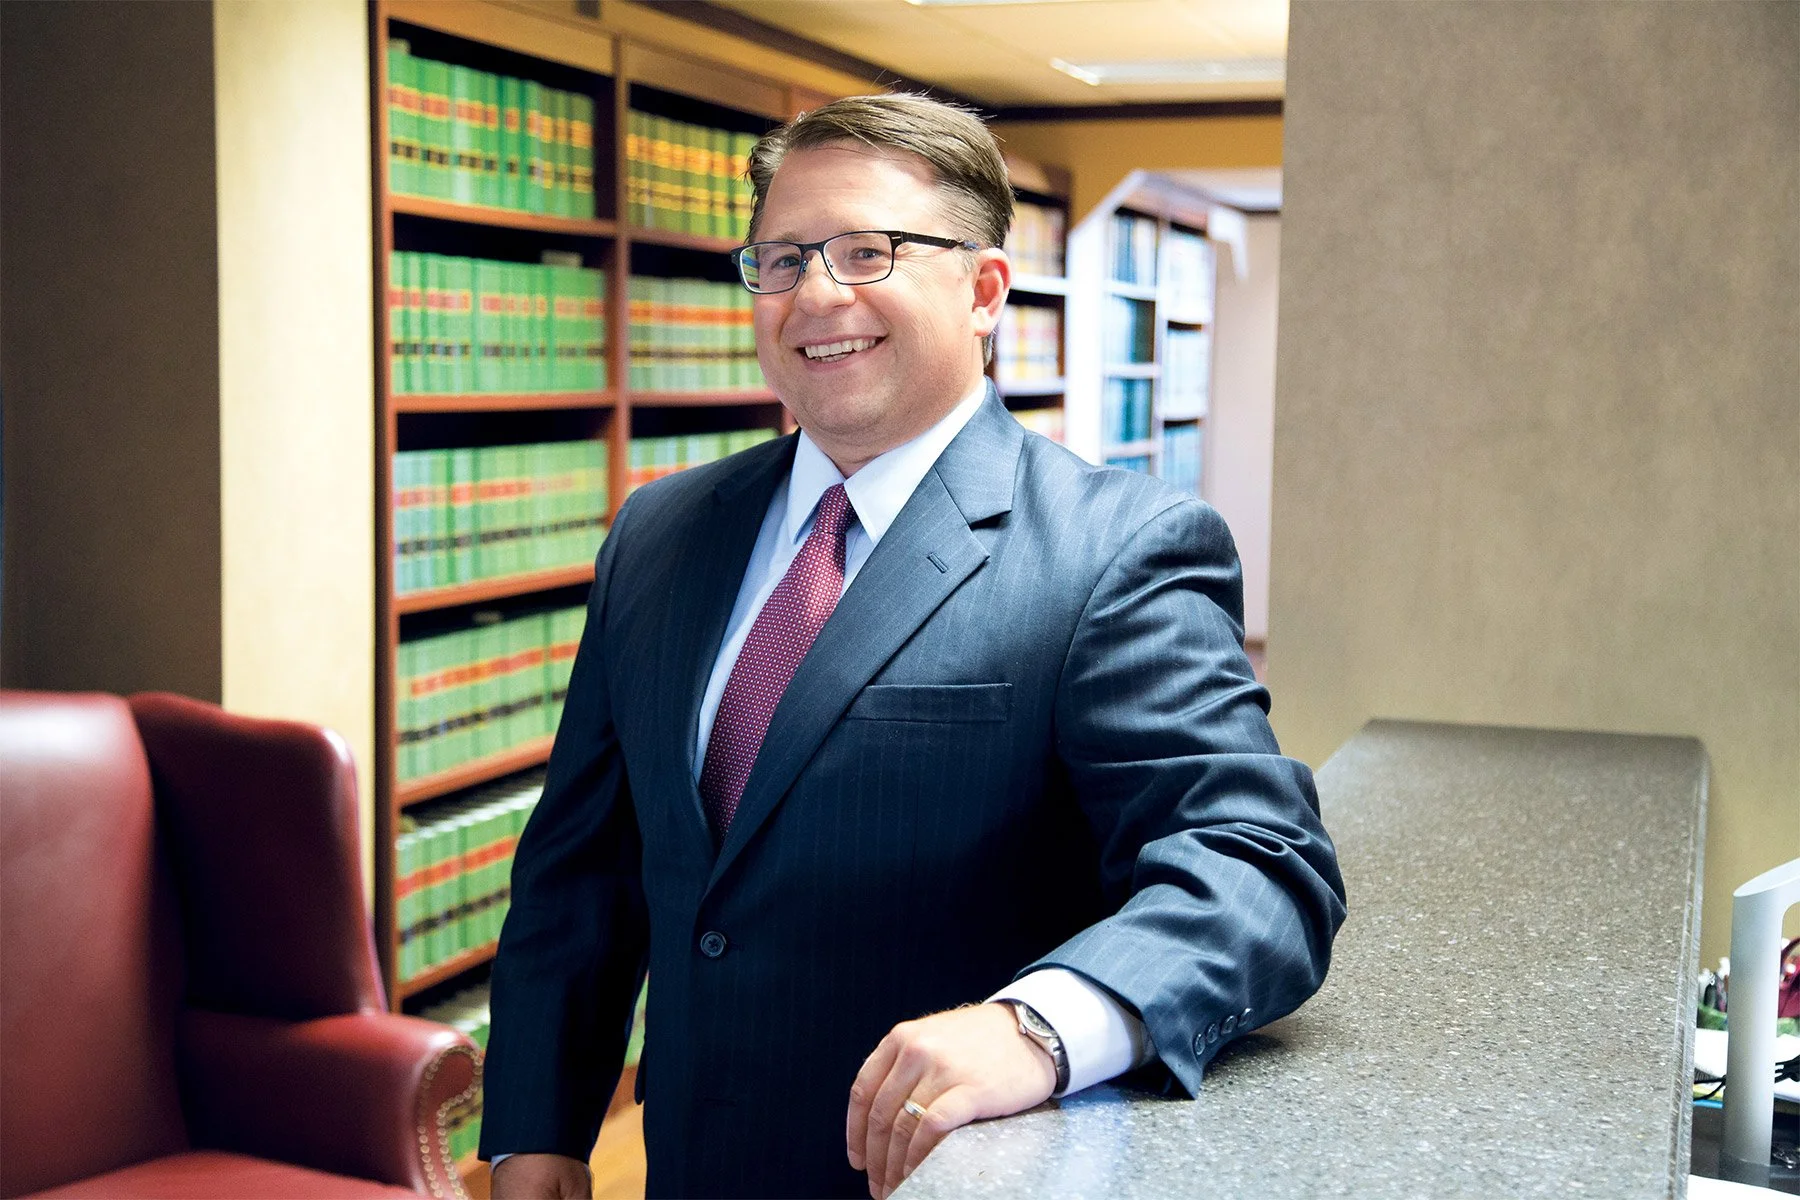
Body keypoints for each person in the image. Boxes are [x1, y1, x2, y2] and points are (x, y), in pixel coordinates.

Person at [480, 92, 1346, 1200]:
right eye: (783, 258)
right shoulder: (658, 534)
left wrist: (1039, 1025)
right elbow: (582, 875)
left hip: (943, 1179)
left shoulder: (1115, 550)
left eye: (868, 251)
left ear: (984, 290)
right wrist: (535, 1132)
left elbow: (1260, 865)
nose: (816, 294)